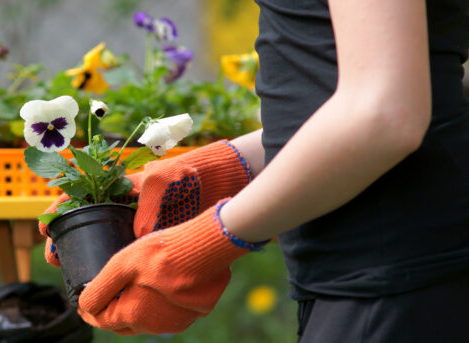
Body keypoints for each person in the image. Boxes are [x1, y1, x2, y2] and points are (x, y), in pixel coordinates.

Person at [38, 0, 469, 340]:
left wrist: (207, 238)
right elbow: (438, 80)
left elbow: (386, 115)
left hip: (391, 275)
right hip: (386, 271)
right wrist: (227, 168)